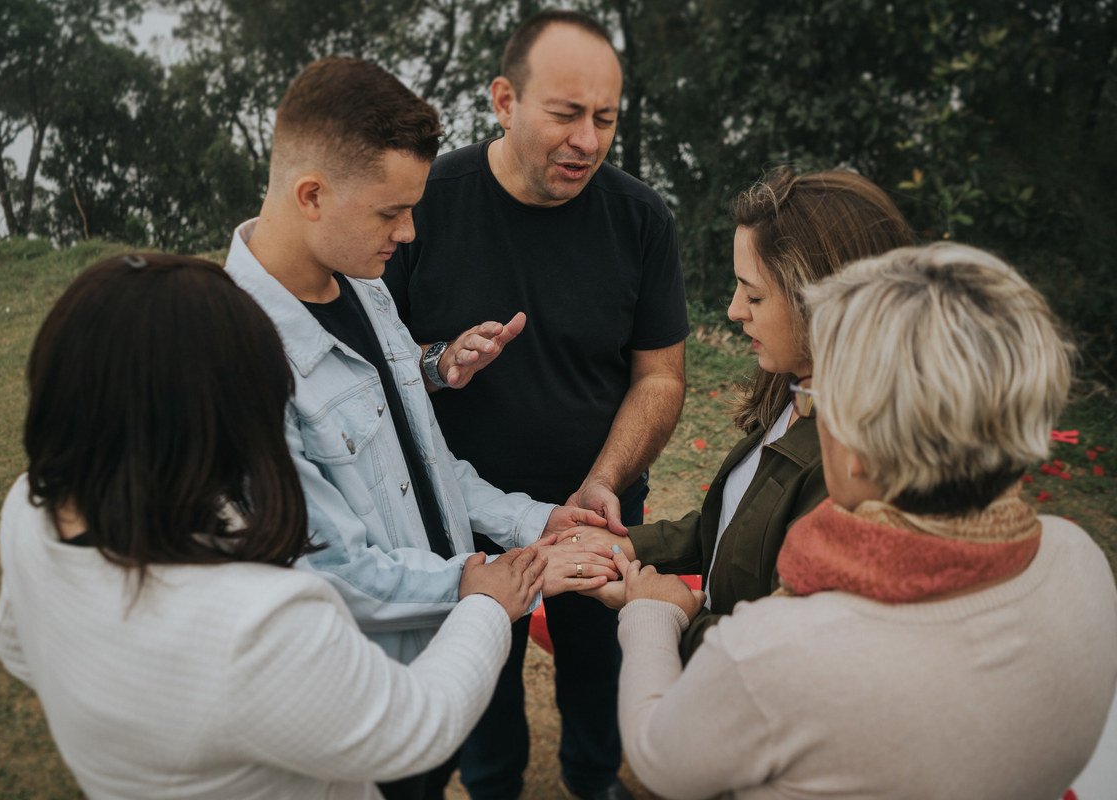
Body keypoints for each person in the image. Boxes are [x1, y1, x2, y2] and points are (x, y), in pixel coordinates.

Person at [0, 253, 551, 799]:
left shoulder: (29, 507)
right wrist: (483, 602)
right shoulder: (256, 622)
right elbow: (414, 727)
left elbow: (18, 648)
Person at [222, 57, 617, 799]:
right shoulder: (239, 357)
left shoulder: (366, 292)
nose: (408, 234)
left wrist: (537, 521)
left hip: (446, 651)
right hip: (372, 692)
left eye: (414, 209)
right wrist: (495, 581)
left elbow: (429, 464)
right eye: (388, 213)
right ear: (311, 195)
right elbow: (331, 571)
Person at [609, 242, 1117, 799]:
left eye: (815, 398)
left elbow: (659, 759)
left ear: (855, 447)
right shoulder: (1082, 559)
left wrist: (654, 617)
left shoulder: (777, 650)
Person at [384, 11, 688, 800]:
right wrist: (437, 360)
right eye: (565, 114)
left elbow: (660, 377)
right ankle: (495, 788)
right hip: (463, 517)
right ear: (505, 101)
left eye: (606, 119)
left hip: (597, 511)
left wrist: (605, 482)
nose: (587, 139)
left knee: (599, 668)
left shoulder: (642, 219)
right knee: (482, 679)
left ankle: (593, 781)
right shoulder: (424, 206)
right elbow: (377, 371)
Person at [572, 167, 913, 660]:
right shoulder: (794, 391)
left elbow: (790, 649)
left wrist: (668, 615)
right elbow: (740, 524)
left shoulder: (853, 465)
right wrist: (627, 547)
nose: (734, 310)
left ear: (824, 305)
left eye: (754, 295)